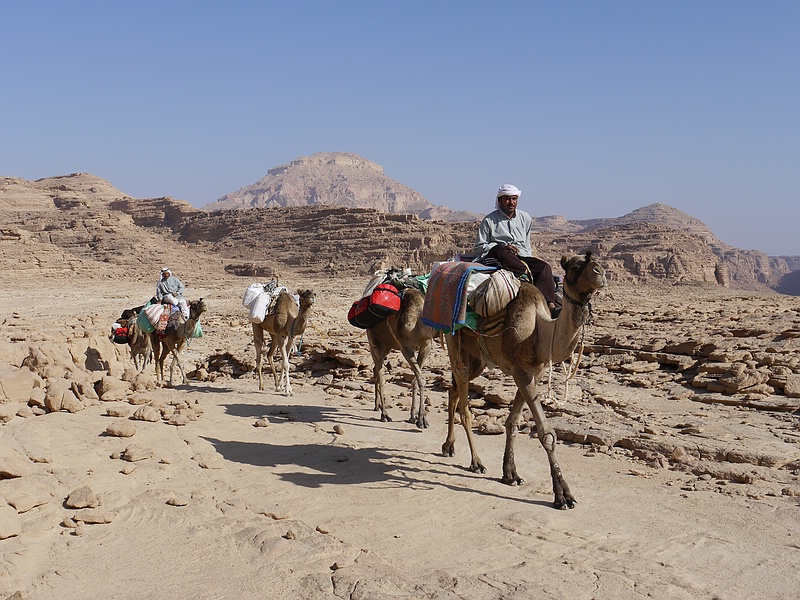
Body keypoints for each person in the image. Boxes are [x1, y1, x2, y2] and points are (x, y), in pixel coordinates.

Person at [474, 184, 559, 317]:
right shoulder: (489, 221)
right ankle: (523, 276)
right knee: (502, 250)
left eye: (514, 199)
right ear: (500, 200)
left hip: (520, 256)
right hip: (497, 255)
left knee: (544, 268)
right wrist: (503, 247)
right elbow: (479, 247)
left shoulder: (525, 218)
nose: (511, 202)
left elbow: (526, 243)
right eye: (507, 199)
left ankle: (549, 305)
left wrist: (529, 260)